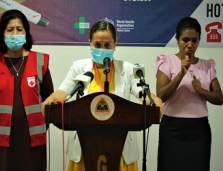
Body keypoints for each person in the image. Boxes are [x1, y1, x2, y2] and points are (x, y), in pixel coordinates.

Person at [42, 19, 162, 171]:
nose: (102, 49)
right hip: (85, 145)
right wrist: (51, 100)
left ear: (115, 44)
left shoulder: (127, 69)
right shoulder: (79, 67)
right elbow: (63, 92)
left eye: (107, 45)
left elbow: (142, 94)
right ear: (90, 43)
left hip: (120, 145)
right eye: (97, 45)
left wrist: (154, 100)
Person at [0, 9, 54, 171]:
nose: (15, 34)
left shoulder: (40, 61)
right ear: (2, 34)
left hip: (33, 139)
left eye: (19, 29)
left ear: (26, 32)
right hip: (3, 141)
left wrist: (37, 125)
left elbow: (49, 103)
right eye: (10, 30)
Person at [155, 17, 223, 171]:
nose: (190, 45)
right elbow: (161, 95)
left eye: (195, 40)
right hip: (172, 129)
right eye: (185, 40)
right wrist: (180, 74)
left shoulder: (207, 65)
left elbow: (219, 98)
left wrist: (201, 91)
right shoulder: (167, 62)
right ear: (177, 39)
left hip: (199, 131)